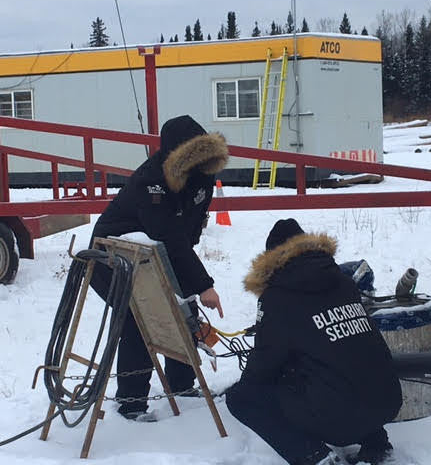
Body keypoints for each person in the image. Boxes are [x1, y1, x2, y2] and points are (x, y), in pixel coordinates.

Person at [226, 219, 402, 465]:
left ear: (271, 260)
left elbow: (264, 365)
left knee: (240, 398)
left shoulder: (278, 297)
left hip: (339, 416)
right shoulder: (344, 282)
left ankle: (313, 456)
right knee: (345, 360)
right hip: (388, 402)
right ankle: (376, 442)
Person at [90, 115, 228, 420]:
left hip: (156, 255)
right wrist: (203, 284)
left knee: (184, 312)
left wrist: (190, 285)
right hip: (112, 258)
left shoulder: (201, 177)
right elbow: (169, 233)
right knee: (138, 320)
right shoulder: (149, 181)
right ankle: (131, 402)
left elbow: (186, 233)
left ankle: (181, 386)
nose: (200, 165)